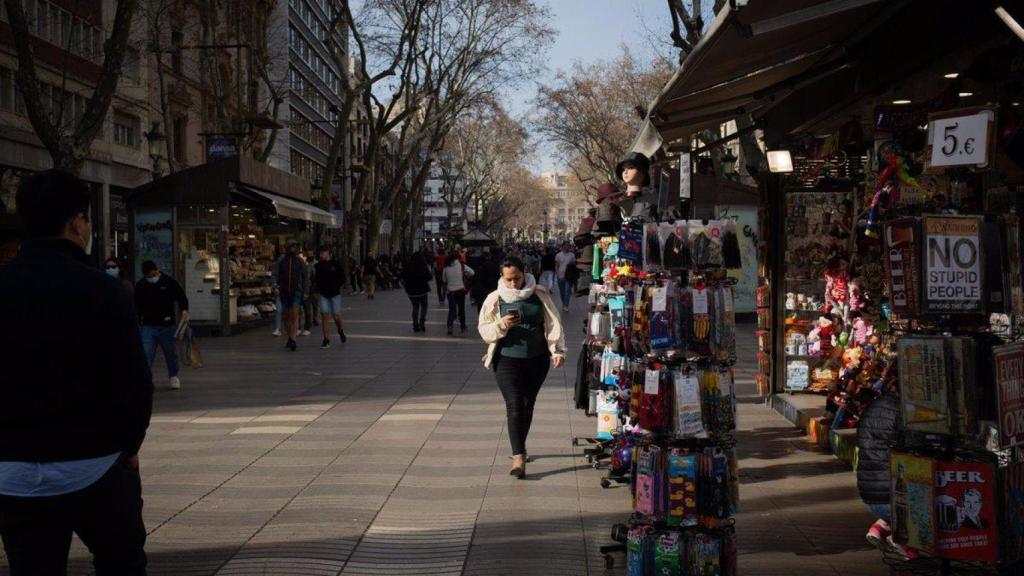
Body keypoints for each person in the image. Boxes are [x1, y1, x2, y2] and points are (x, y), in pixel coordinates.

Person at [0, 169, 152, 574]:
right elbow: (135, 385)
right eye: (86, 219)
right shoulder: (105, 291)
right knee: (122, 563)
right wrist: (130, 447)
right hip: (95, 462)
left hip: (12, 471)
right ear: (75, 222)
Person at [477, 256, 566, 478]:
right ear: (502, 277)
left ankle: (521, 445)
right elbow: (484, 330)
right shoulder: (494, 298)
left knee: (527, 404)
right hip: (506, 359)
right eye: (508, 279)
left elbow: (553, 323)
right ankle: (518, 457)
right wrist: (502, 324)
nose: (513, 284)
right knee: (514, 404)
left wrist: (558, 350)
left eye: (516, 278)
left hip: (536, 359)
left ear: (524, 273)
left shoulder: (539, 294)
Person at [135, 260, 189, 390]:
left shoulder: (168, 281)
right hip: (148, 326)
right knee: (147, 354)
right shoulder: (141, 285)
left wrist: (184, 310)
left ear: (157, 270)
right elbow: (136, 305)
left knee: (171, 353)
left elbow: (181, 296)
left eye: (153, 274)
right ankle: (146, 380)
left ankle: (173, 376)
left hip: (167, 325)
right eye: (149, 276)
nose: (152, 277)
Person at [856, 392, 900, 548]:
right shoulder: (901, 410)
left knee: (891, 513)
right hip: (890, 495)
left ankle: (879, 527)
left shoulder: (870, 408)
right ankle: (901, 540)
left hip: (868, 494)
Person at [273, 240, 308, 351]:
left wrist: (306, 291)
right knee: (286, 315)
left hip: (296, 290)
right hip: (283, 291)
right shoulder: (281, 260)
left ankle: (293, 339)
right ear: (288, 248)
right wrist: (275, 286)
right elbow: (275, 274)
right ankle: (290, 336)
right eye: (292, 247)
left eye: (295, 247)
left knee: (294, 314)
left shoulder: (300, 261)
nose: (294, 249)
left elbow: (305, 277)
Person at [313, 247, 347, 349]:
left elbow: (342, 278)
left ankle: (340, 329)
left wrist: (337, 286)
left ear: (329, 254)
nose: (321, 254)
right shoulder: (318, 266)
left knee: (336, 315)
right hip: (323, 294)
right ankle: (326, 339)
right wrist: (316, 290)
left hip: (335, 294)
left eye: (324, 253)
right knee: (324, 315)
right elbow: (315, 279)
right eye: (321, 253)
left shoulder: (336, 264)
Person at [443, 252, 474, 335]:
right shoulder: (462, 266)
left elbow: (444, 280)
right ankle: (463, 326)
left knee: (451, 309)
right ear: (457, 258)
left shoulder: (446, 267)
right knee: (461, 309)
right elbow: (472, 272)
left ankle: (450, 326)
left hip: (450, 292)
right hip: (460, 290)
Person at [404, 246, 434, 332]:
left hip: (411, 291)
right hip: (422, 290)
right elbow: (429, 277)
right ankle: (422, 320)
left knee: (415, 307)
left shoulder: (408, 265)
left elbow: (404, 276)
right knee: (424, 306)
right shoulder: (423, 265)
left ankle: (415, 324)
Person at [471, 248, 501, 313]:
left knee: (482, 308)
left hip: (485, 290)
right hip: (496, 290)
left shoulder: (485, 265)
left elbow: (478, 280)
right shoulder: (501, 264)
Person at [555, 242, 576, 313]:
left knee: (567, 291)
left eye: (568, 246)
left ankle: (566, 305)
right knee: (562, 291)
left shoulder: (572, 255)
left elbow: (573, 265)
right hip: (560, 275)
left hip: (569, 276)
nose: (568, 247)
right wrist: (557, 274)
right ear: (563, 246)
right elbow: (557, 265)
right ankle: (564, 303)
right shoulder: (558, 255)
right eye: (566, 246)